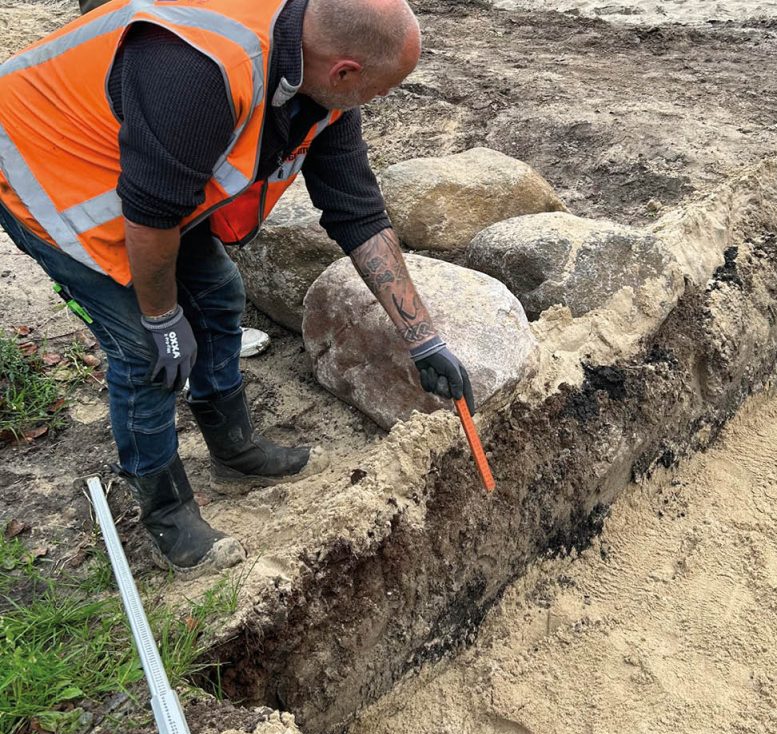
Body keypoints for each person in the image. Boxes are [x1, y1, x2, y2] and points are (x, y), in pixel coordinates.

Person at [0, 0, 474, 577]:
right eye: (379, 89)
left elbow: (357, 212)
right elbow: (148, 214)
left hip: (148, 176)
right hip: (46, 167)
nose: (377, 102)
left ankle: (234, 450)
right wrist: (160, 319)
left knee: (219, 294)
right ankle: (168, 515)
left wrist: (422, 339)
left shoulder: (321, 87)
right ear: (344, 71)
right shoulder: (200, 72)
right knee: (147, 353)